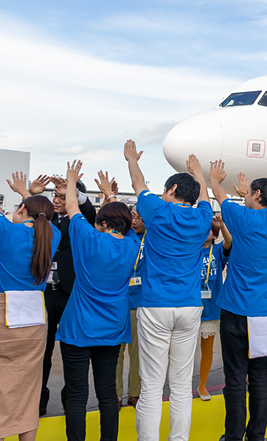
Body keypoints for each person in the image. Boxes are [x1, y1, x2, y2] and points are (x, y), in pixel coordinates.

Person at [124, 141, 212, 441]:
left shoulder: (158, 211)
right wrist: (199, 173)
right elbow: (204, 197)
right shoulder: (202, 218)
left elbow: (137, 183)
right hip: (189, 307)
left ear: (172, 190)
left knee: (150, 386)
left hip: (155, 305)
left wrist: (132, 159)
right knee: (181, 384)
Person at [57, 160, 139, 441]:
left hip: (78, 328)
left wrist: (70, 181)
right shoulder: (131, 244)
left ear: (102, 222)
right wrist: (110, 195)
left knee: (77, 395)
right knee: (107, 394)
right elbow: (125, 224)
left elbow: (71, 208)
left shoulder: (88, 238)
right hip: (113, 328)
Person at [208, 162, 267, 441]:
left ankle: (232, 436)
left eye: (249, 193)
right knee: (259, 378)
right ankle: (256, 434)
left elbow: (218, 194)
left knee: (235, 379)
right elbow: (266, 210)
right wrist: (246, 193)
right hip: (264, 313)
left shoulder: (241, 217)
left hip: (235, 310)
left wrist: (215, 180)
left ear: (255, 194)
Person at [14, 172, 98, 417]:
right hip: (45, 295)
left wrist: (73, 191)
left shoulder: (79, 220)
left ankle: (69, 402)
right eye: (55, 196)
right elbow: (34, 213)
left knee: (72, 350)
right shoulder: (44, 221)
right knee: (43, 352)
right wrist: (33, 194)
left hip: (70, 294)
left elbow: (88, 213)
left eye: (63, 196)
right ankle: (38, 401)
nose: (58, 200)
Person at [0, 177, 60, 441]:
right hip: (36, 320)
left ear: (22, 209)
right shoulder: (52, 235)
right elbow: (40, 216)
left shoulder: (6, 231)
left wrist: (25, 193)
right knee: (29, 386)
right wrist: (28, 195)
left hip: (4, 315)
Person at [197, 216, 232, 401]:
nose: (207, 232)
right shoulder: (190, 250)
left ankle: (202, 385)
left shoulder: (217, 250)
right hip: (190, 306)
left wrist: (222, 225)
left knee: (207, 349)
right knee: (183, 351)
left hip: (211, 308)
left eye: (210, 229)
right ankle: (182, 384)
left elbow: (229, 241)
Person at [117, 204, 145, 408]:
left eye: (138, 217)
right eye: (132, 216)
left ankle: (134, 392)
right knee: (115, 351)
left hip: (139, 302)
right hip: (118, 302)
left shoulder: (152, 239)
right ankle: (115, 393)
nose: (134, 221)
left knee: (137, 352)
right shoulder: (121, 238)